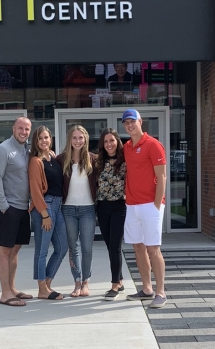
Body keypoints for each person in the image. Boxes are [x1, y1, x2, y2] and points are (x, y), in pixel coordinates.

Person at [121, 109, 168, 309]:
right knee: (137, 247)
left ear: (140, 122)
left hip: (151, 205)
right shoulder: (127, 147)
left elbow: (162, 177)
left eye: (132, 121)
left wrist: (157, 204)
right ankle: (147, 289)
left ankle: (161, 293)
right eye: (126, 123)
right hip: (132, 205)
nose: (129, 125)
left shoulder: (153, 145)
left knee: (152, 248)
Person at [0, 116, 33, 307]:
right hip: (8, 208)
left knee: (15, 250)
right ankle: (5, 293)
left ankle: (12, 288)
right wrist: (4, 206)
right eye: (20, 128)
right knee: (5, 249)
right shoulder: (2, 149)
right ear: (13, 128)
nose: (23, 132)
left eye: (27, 129)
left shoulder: (27, 150)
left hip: (23, 208)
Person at [57, 125, 97, 297]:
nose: (78, 141)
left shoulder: (93, 159)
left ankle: (86, 281)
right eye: (74, 138)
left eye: (81, 137)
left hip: (88, 209)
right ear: (70, 140)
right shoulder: (61, 159)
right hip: (68, 210)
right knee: (74, 247)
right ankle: (77, 282)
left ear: (85, 139)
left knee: (87, 248)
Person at [28, 126, 67, 300]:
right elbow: (35, 190)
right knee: (42, 249)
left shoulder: (53, 157)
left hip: (58, 206)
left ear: (51, 139)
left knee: (62, 247)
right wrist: (44, 214)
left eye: (46, 137)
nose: (44, 141)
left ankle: (47, 283)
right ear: (35, 142)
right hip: (45, 206)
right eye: (40, 138)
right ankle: (41, 289)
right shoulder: (36, 161)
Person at [94, 128, 127, 300]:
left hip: (119, 206)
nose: (109, 144)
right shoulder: (98, 161)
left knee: (115, 246)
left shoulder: (125, 160)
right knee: (109, 246)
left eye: (112, 141)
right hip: (102, 207)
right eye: (106, 141)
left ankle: (114, 285)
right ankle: (120, 280)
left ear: (117, 142)